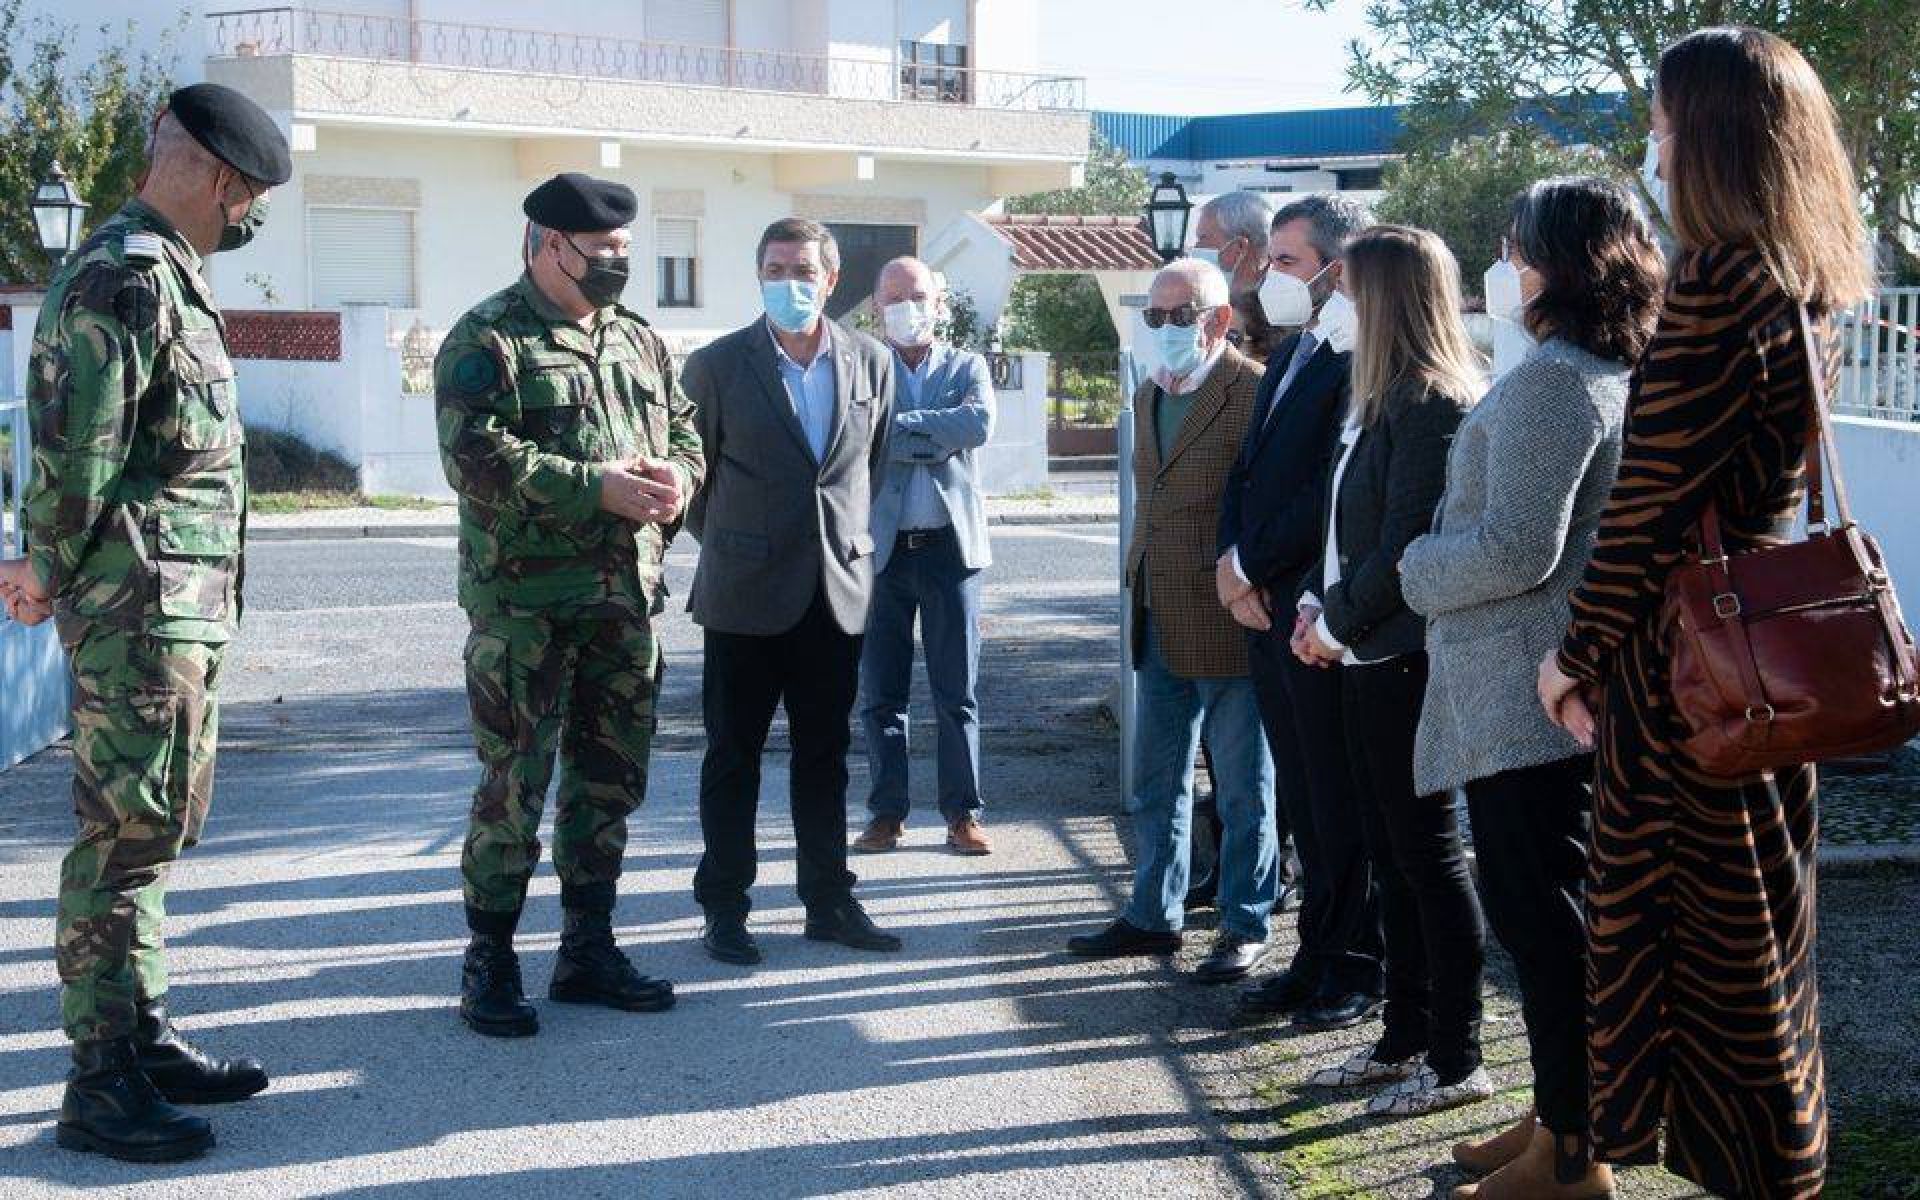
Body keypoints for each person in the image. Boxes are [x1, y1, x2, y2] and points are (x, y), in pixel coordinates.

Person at [1536, 27, 1872, 1199]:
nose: (1655, 145)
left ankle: (1768, 1178)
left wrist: (1570, 659)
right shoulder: (1794, 281)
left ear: (1717, 140)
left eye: (1669, 123)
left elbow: (1648, 506)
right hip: (1752, 674)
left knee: (1715, 978)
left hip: (1693, 695)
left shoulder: (1720, 286)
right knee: (1759, 965)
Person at [0, 83, 287, 1163]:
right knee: (119, 840)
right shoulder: (124, 276)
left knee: (152, 829)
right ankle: (98, 1080)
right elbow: (79, 458)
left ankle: (142, 1034)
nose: (252, 214)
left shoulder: (170, 273)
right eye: (251, 194)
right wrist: (44, 569)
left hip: (174, 612)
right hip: (137, 614)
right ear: (220, 179)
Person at [1399, 177, 1664, 1198]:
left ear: (1557, 261)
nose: (1501, 267)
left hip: (1528, 694)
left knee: (1542, 918)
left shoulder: (1560, 380)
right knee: (1547, 913)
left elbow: (1516, 548)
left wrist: (1418, 568)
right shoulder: (1592, 367)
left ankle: (1572, 1158)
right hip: (1530, 689)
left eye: (1512, 248)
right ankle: (1562, 1115)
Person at [435, 173, 704, 1038]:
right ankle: (490, 962)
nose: (618, 267)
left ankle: (588, 948)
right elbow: (476, 457)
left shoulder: (636, 339)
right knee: (514, 785)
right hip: (525, 609)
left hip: (623, 601)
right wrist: (599, 489)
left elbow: (687, 427)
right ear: (551, 244)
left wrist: (679, 478)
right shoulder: (488, 339)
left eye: (627, 252)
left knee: (608, 783)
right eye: (603, 254)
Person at [1293, 225, 1489, 1117]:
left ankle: (1455, 1058)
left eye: (1348, 287)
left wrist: (1335, 623)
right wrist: (1317, 611)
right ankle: (1403, 1038)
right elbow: (1346, 534)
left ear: (1390, 299)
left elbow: (1407, 542)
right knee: (1390, 854)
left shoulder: (1432, 403)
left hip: (1407, 657)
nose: (1333, 300)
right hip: (1362, 650)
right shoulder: (1376, 398)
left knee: (1427, 857)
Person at [685, 218, 901, 966]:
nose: (790, 283)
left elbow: (866, 467)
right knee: (732, 756)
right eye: (775, 269)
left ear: (831, 278)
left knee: (826, 757)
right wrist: (742, 541)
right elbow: (693, 483)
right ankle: (724, 908)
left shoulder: (871, 361)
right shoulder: (715, 367)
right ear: (759, 275)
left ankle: (829, 901)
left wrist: (831, 546)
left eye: (802, 269)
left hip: (834, 592)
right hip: (743, 596)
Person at [1066, 257, 1278, 983]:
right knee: (1158, 782)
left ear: (1219, 320)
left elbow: (1272, 504)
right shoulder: (1148, 389)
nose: (1162, 329)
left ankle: (1247, 924)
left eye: (1177, 316)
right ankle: (1153, 916)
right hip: (1154, 613)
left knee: (1245, 786)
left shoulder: (1252, 392)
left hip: (1227, 616)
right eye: (1153, 317)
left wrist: (1249, 575)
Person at [1224, 196, 1386, 1031]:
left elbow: (1326, 491)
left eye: (1285, 262)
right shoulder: (1296, 348)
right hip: (1267, 607)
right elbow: (1249, 474)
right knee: (1301, 796)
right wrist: (1231, 560)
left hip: (1312, 607)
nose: (1267, 276)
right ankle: (1314, 955)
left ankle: (1355, 965)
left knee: (1338, 800)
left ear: (1335, 266)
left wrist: (1253, 563)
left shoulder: (1358, 357)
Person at [852, 258, 995, 857]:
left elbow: (977, 424)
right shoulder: (863, 366)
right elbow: (857, 433)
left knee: (954, 692)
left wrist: (900, 430)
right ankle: (887, 813)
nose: (906, 307)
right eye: (893, 296)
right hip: (879, 552)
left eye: (917, 295)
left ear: (940, 302)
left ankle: (963, 814)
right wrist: (933, 436)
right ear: (876, 306)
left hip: (949, 550)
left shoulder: (967, 365)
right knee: (881, 693)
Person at [1191, 189, 1284, 364]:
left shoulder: (1282, 314)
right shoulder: (1206, 308)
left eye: (1202, 238)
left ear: (1240, 247)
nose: (1195, 247)